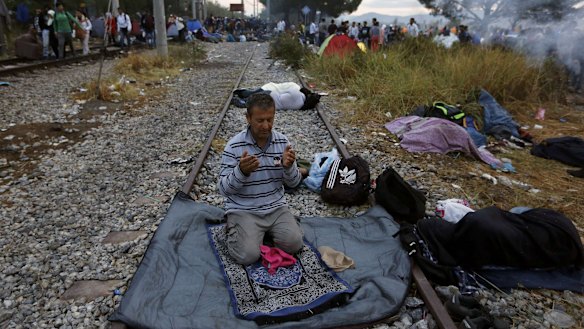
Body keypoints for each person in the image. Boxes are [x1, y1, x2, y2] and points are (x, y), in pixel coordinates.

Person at [218, 93, 304, 265]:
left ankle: (259, 234)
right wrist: (241, 171)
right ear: (248, 118)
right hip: (244, 210)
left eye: (270, 119)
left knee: (294, 244)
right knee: (248, 256)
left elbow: (294, 183)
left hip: (276, 207)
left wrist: (289, 167)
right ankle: (233, 230)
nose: (266, 126)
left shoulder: (282, 142)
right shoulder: (234, 146)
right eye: (260, 120)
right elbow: (224, 189)